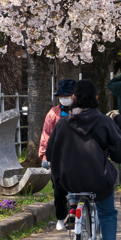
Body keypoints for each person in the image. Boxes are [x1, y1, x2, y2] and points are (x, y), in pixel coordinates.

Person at [45, 80, 121, 240]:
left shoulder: (62, 124)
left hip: (68, 180)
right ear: (96, 98)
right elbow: (119, 152)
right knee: (107, 212)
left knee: (74, 179)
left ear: (74, 98)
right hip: (98, 178)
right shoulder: (105, 122)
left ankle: (74, 206)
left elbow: (50, 154)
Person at [40, 79, 76, 230]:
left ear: (74, 96)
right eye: (61, 96)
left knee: (77, 188)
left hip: (77, 156)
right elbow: (46, 135)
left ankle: (77, 216)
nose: (63, 98)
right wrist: (44, 156)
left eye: (66, 95)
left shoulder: (82, 111)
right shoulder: (53, 113)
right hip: (58, 157)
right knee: (58, 190)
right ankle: (61, 217)